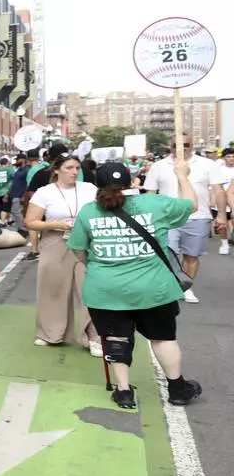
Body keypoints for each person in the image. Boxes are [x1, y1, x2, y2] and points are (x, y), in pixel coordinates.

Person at [68, 161, 203, 409]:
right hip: (154, 288)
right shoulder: (155, 204)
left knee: (115, 338)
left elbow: (78, 249)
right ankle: (177, 388)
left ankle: (123, 391)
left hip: (105, 289)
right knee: (163, 337)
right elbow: (192, 205)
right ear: (132, 182)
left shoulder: (88, 212)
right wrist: (182, 175)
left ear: (98, 184)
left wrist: (99, 265)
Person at [25, 154, 100, 355]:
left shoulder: (89, 189)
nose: (74, 172)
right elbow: (31, 222)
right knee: (53, 287)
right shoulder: (44, 193)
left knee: (90, 288)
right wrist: (56, 224)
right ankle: (51, 333)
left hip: (86, 241)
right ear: (57, 170)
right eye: (69, 168)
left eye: (77, 168)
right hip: (55, 240)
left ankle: (94, 336)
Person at [142, 133, 225, 302]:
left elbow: (218, 191)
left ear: (192, 146)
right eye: (176, 145)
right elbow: (150, 193)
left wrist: (222, 215)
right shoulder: (158, 166)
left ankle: (186, 287)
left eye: (186, 145)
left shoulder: (207, 164)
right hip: (166, 219)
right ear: (170, 147)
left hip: (198, 217)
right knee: (166, 255)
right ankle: (168, 287)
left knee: (191, 256)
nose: (181, 149)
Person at [23, 143, 67, 260]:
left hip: (49, 219)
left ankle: (35, 250)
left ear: (50, 157)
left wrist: (29, 212)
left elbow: (30, 193)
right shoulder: (81, 171)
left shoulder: (41, 173)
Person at [214, 148, 234, 255]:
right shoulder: (218, 170)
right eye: (228, 156)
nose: (231, 158)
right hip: (220, 201)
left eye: (233, 156)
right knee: (222, 224)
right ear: (223, 158)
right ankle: (224, 244)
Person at [9, 157, 30, 235]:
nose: (17, 161)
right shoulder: (19, 170)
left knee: (16, 211)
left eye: (18, 159)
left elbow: (28, 183)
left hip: (20, 195)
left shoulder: (27, 170)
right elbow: (14, 182)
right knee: (16, 212)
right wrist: (7, 193)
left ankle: (23, 229)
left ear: (23, 160)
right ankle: (21, 228)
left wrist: (24, 195)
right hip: (15, 194)